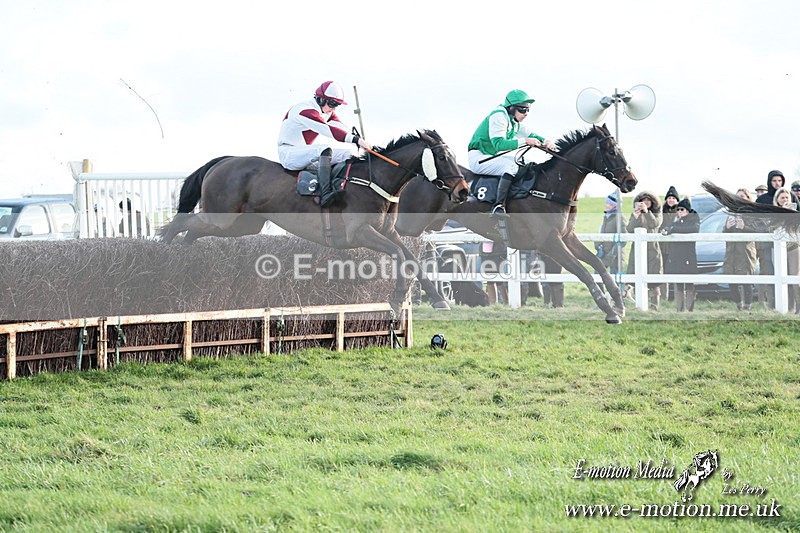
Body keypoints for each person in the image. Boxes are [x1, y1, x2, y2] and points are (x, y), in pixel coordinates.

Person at [277, 81, 373, 207]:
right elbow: (329, 131)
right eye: (332, 103)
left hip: (304, 153)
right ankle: (326, 193)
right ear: (321, 99)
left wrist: (361, 141)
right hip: (290, 154)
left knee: (348, 154)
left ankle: (340, 187)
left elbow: (340, 127)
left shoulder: (326, 112)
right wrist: (356, 140)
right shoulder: (305, 111)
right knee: (325, 149)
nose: (333, 108)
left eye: (337, 105)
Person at [467, 89, 555, 218]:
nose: (526, 113)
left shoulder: (513, 121)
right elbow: (499, 144)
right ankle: (498, 205)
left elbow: (530, 134)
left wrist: (546, 142)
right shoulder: (499, 116)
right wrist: (525, 141)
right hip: (479, 158)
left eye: (528, 110)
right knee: (511, 167)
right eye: (523, 110)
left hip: (490, 156)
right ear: (511, 108)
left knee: (523, 161)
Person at [625, 191, 663, 310]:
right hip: (636, 250)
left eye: (648, 201)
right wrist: (635, 217)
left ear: (652, 202)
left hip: (652, 249)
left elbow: (654, 224)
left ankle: (654, 306)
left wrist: (647, 213)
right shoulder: (636, 213)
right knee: (636, 276)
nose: (645, 203)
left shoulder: (657, 214)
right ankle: (640, 305)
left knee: (653, 279)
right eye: (643, 201)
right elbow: (630, 229)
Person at [753, 170, 786, 309]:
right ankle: (772, 303)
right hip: (767, 240)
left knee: (787, 271)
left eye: (779, 180)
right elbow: (755, 219)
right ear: (769, 182)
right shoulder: (762, 200)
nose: (777, 183)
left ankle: (789, 304)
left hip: (786, 243)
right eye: (774, 181)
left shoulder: (787, 196)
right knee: (769, 270)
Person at [660, 198, 700, 312]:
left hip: (688, 256)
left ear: (687, 210)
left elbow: (694, 229)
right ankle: (679, 309)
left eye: (682, 209)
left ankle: (689, 309)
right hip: (677, 256)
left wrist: (673, 229)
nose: (680, 211)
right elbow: (669, 227)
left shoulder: (693, 219)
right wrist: (669, 229)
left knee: (689, 283)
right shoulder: (677, 221)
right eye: (678, 209)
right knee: (678, 283)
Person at [723, 188, 758, 311]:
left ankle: (747, 307)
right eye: (738, 196)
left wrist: (744, 227)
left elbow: (758, 231)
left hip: (745, 252)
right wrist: (727, 227)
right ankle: (739, 305)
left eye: (743, 196)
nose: (740, 198)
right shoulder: (731, 212)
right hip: (731, 251)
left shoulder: (752, 212)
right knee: (731, 280)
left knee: (746, 280)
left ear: (748, 198)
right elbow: (724, 232)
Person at [774, 186, 800, 313]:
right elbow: (774, 228)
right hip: (779, 248)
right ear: (777, 200)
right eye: (782, 197)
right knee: (781, 277)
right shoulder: (774, 212)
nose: (785, 199)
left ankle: (798, 306)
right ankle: (786, 306)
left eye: (787, 197)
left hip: (793, 246)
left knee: (795, 277)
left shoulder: (795, 212)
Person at [594, 190, 627, 276]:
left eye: (609, 203)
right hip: (603, 254)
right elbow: (601, 234)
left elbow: (623, 239)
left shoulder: (620, 218)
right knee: (597, 276)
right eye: (606, 203)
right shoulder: (606, 217)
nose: (606, 205)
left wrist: (612, 253)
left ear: (615, 205)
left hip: (615, 257)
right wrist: (598, 246)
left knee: (615, 280)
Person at [660, 185, 680, 300]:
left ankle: (677, 297)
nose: (671, 200)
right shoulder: (662, 212)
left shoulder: (680, 212)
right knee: (663, 272)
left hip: (675, 247)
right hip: (663, 247)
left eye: (673, 198)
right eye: (669, 198)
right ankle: (664, 297)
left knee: (676, 272)